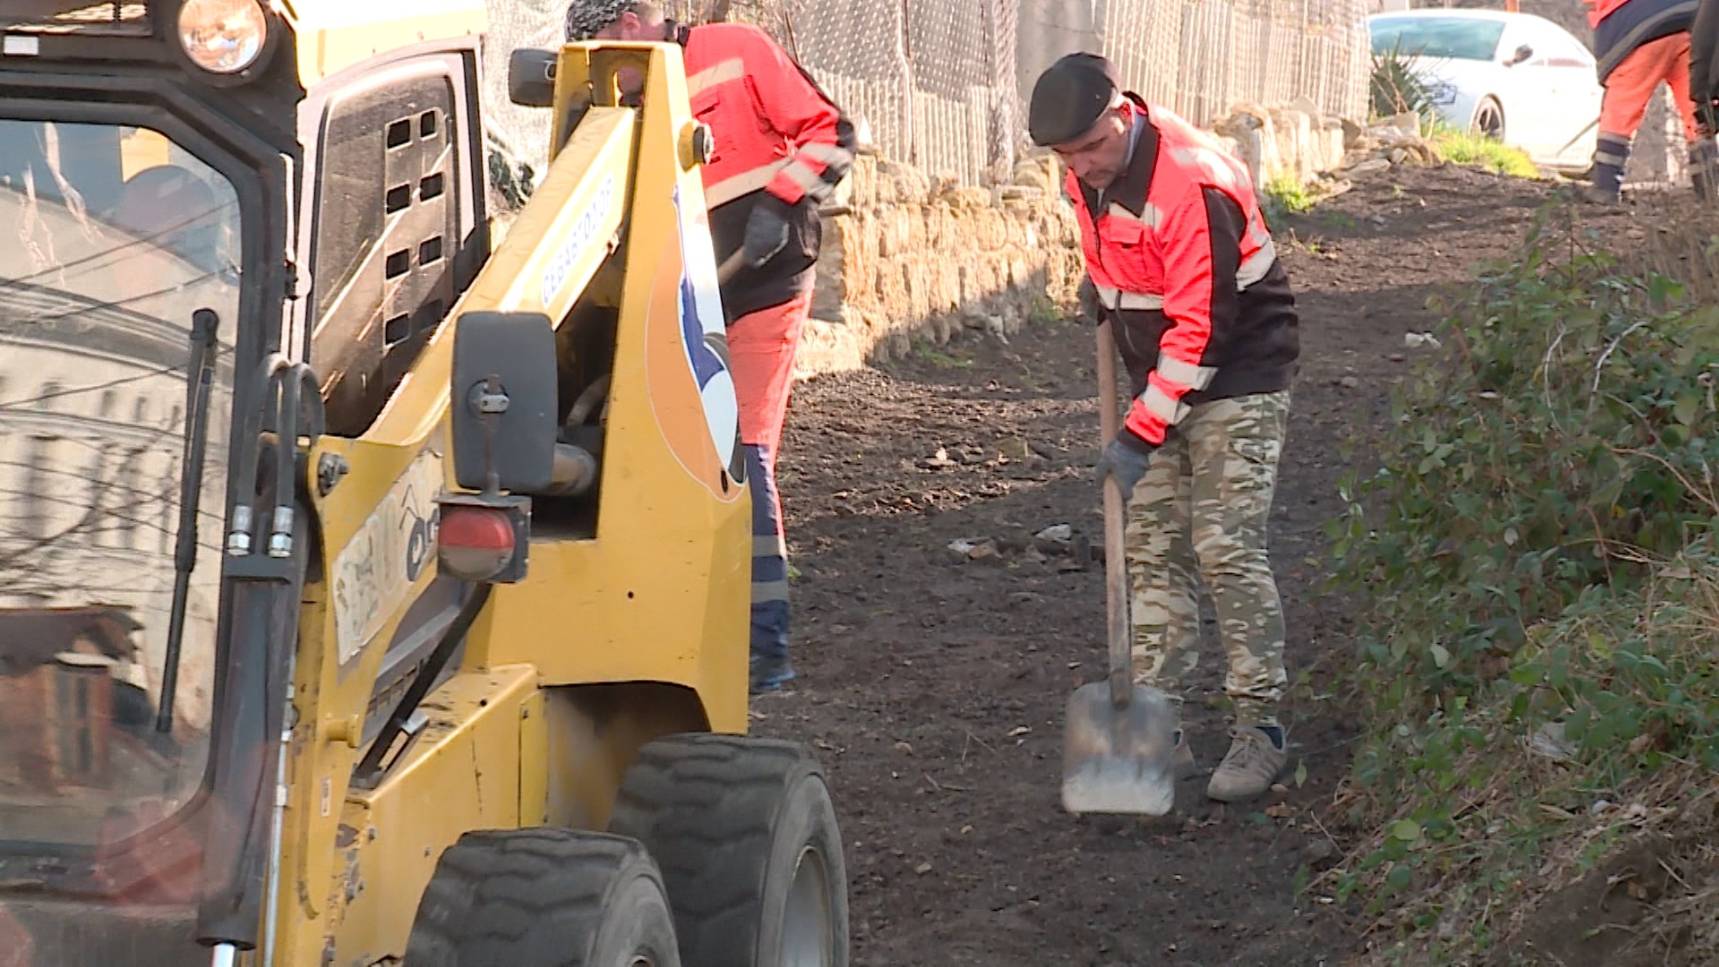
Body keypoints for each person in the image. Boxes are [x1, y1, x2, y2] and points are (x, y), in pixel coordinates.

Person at [1028, 53, 1300, 803]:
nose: (1080, 168)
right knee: (1149, 546)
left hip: (1239, 367)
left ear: (1123, 116)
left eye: (1089, 149)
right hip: (1162, 369)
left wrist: (1138, 433)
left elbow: (1201, 329)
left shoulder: (1193, 181)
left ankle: (1261, 724)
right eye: (1065, 157)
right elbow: (1126, 250)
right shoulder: (1090, 171)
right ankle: (1159, 725)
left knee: (1223, 542)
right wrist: (1107, 285)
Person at [564, 0, 855, 693]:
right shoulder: (612, 101)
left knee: (741, 455)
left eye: (605, 47)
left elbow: (832, 135)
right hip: (680, 298)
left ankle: (762, 645)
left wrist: (780, 203)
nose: (604, 70)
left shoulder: (737, 50)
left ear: (631, 22)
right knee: (663, 458)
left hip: (761, 291)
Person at [1584, 0, 1715, 202]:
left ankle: (1605, 186)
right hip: (1689, 21)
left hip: (1639, 29)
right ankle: (1710, 190)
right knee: (1695, 109)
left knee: (1622, 108)